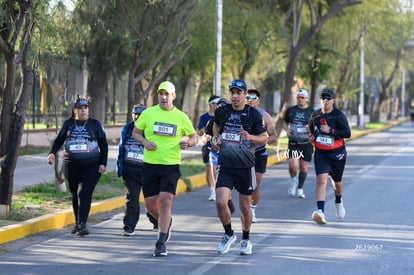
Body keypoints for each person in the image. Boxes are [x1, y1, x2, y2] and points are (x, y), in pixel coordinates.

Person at [132, 80, 197, 257]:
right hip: (150, 165)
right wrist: (145, 142)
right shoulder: (148, 113)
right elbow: (135, 133)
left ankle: (160, 242)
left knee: (165, 201)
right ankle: (166, 221)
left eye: (167, 94)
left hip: (170, 166)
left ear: (173, 96)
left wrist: (188, 143)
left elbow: (194, 136)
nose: (163, 97)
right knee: (151, 205)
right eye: (161, 93)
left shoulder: (181, 117)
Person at [211, 79, 267, 255]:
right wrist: (215, 138)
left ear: (244, 94)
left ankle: (246, 239)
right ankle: (229, 234)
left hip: (245, 166)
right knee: (220, 201)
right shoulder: (222, 111)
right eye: (232, 93)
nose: (235, 96)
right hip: (226, 164)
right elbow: (215, 125)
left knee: (244, 206)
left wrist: (249, 137)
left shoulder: (253, 114)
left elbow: (264, 138)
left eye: (238, 93)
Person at [47, 95, 108, 236]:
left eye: (85, 108)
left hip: (91, 165)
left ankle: (83, 224)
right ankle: (77, 223)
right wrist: (52, 153)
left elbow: (103, 145)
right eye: (80, 108)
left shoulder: (95, 124)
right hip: (70, 165)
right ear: (75, 110)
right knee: (74, 194)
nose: (83, 110)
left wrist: (103, 163)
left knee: (84, 192)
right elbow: (59, 140)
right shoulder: (68, 124)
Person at [308, 88, 351, 225]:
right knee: (321, 180)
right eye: (323, 98)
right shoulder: (315, 115)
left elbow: (347, 133)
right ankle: (320, 212)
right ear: (320, 100)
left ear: (333, 100)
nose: (325, 101)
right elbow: (311, 130)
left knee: (337, 182)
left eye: (328, 98)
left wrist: (330, 131)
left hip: (337, 153)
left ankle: (338, 200)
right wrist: (311, 137)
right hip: (321, 153)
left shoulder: (338, 116)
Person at [116, 104, 158, 236]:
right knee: (131, 198)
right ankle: (129, 226)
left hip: (148, 171)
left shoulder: (151, 129)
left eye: (140, 114)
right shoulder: (127, 129)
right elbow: (121, 148)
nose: (137, 116)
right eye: (135, 114)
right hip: (130, 170)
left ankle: (157, 221)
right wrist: (120, 167)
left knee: (150, 200)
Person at [246, 89, 277, 223]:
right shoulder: (240, 113)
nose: (250, 100)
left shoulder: (265, 116)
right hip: (243, 153)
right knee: (246, 183)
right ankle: (245, 207)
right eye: (247, 97)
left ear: (258, 100)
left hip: (259, 153)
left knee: (256, 184)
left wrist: (262, 141)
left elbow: (274, 136)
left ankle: (252, 209)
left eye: (253, 98)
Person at [283, 89, 314, 198]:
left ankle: (300, 189)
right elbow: (285, 122)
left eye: (302, 97)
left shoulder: (311, 112)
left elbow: (316, 127)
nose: (300, 100)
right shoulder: (291, 110)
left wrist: (310, 128)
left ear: (307, 99)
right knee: (293, 166)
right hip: (293, 142)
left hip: (306, 143)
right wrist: (287, 130)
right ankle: (293, 181)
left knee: (303, 167)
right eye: (298, 97)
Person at [196, 95, 220, 201]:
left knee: (218, 171)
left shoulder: (222, 116)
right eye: (215, 103)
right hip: (208, 147)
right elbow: (198, 132)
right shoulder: (204, 117)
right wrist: (203, 130)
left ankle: (220, 190)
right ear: (211, 104)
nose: (217, 106)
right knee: (209, 169)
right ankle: (212, 192)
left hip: (220, 148)